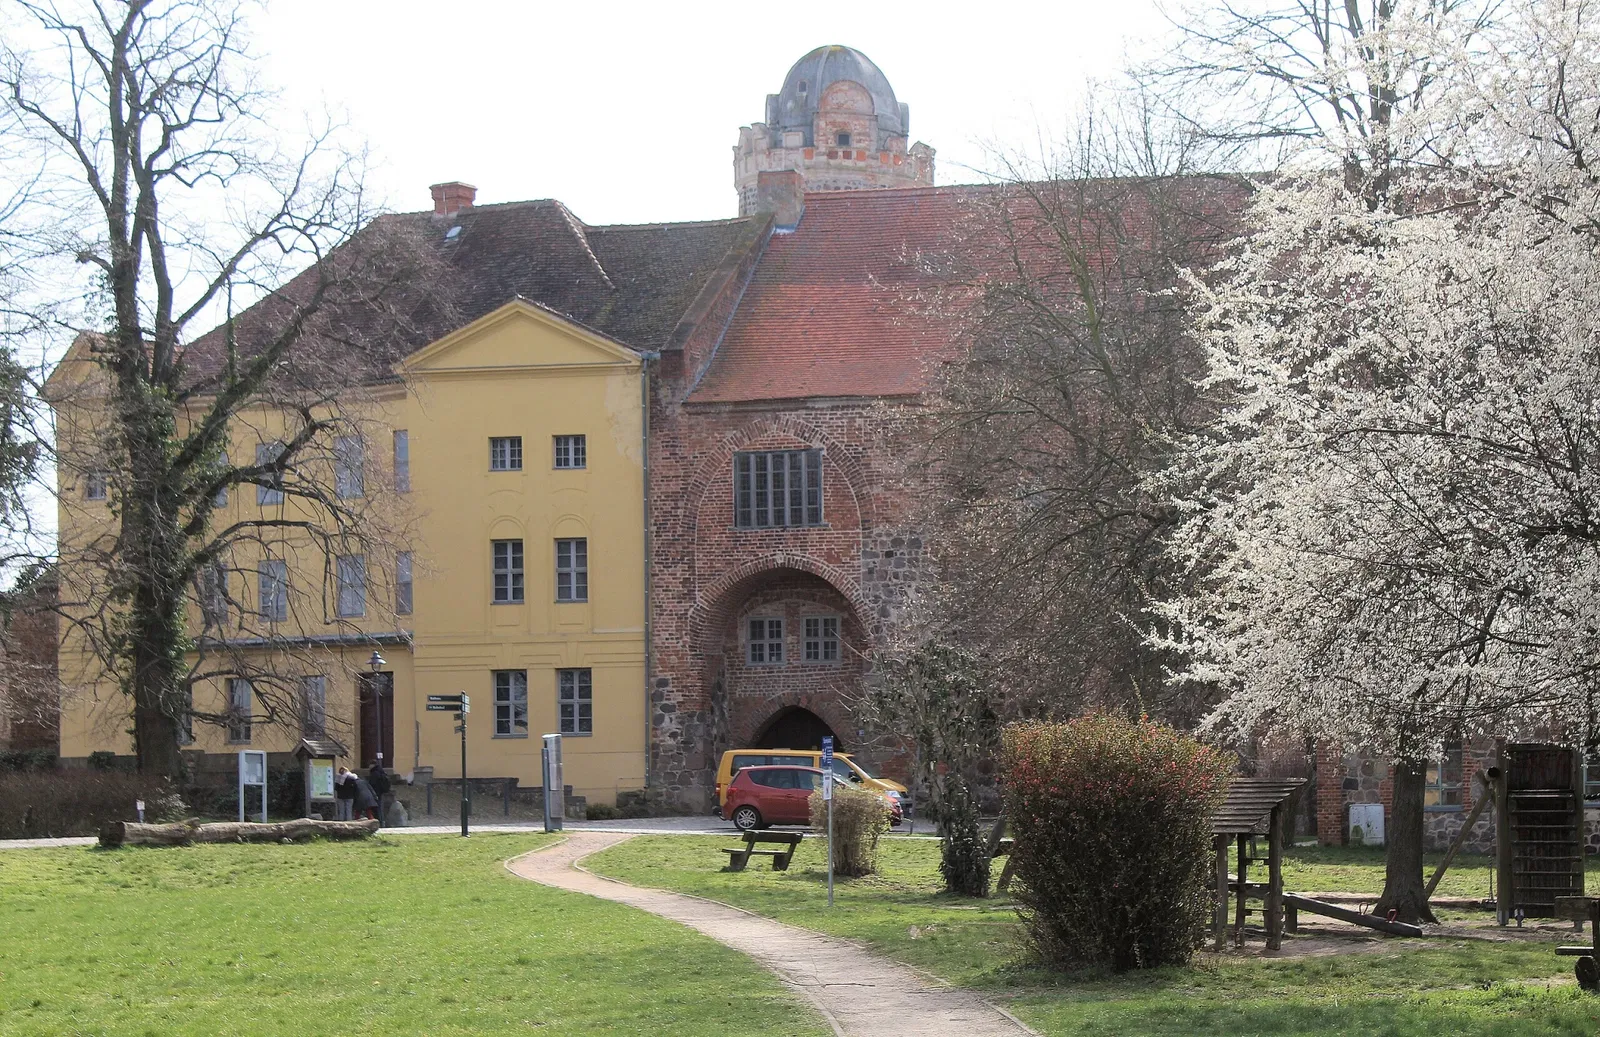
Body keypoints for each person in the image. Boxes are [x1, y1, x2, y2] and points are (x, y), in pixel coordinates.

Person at [368, 760, 392, 827]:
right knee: (380, 808)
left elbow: (372, 784)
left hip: (376, 793)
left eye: (370, 765)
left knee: (377, 809)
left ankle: (379, 823)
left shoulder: (374, 773)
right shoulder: (381, 771)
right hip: (381, 792)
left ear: (373, 765)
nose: (369, 767)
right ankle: (381, 822)